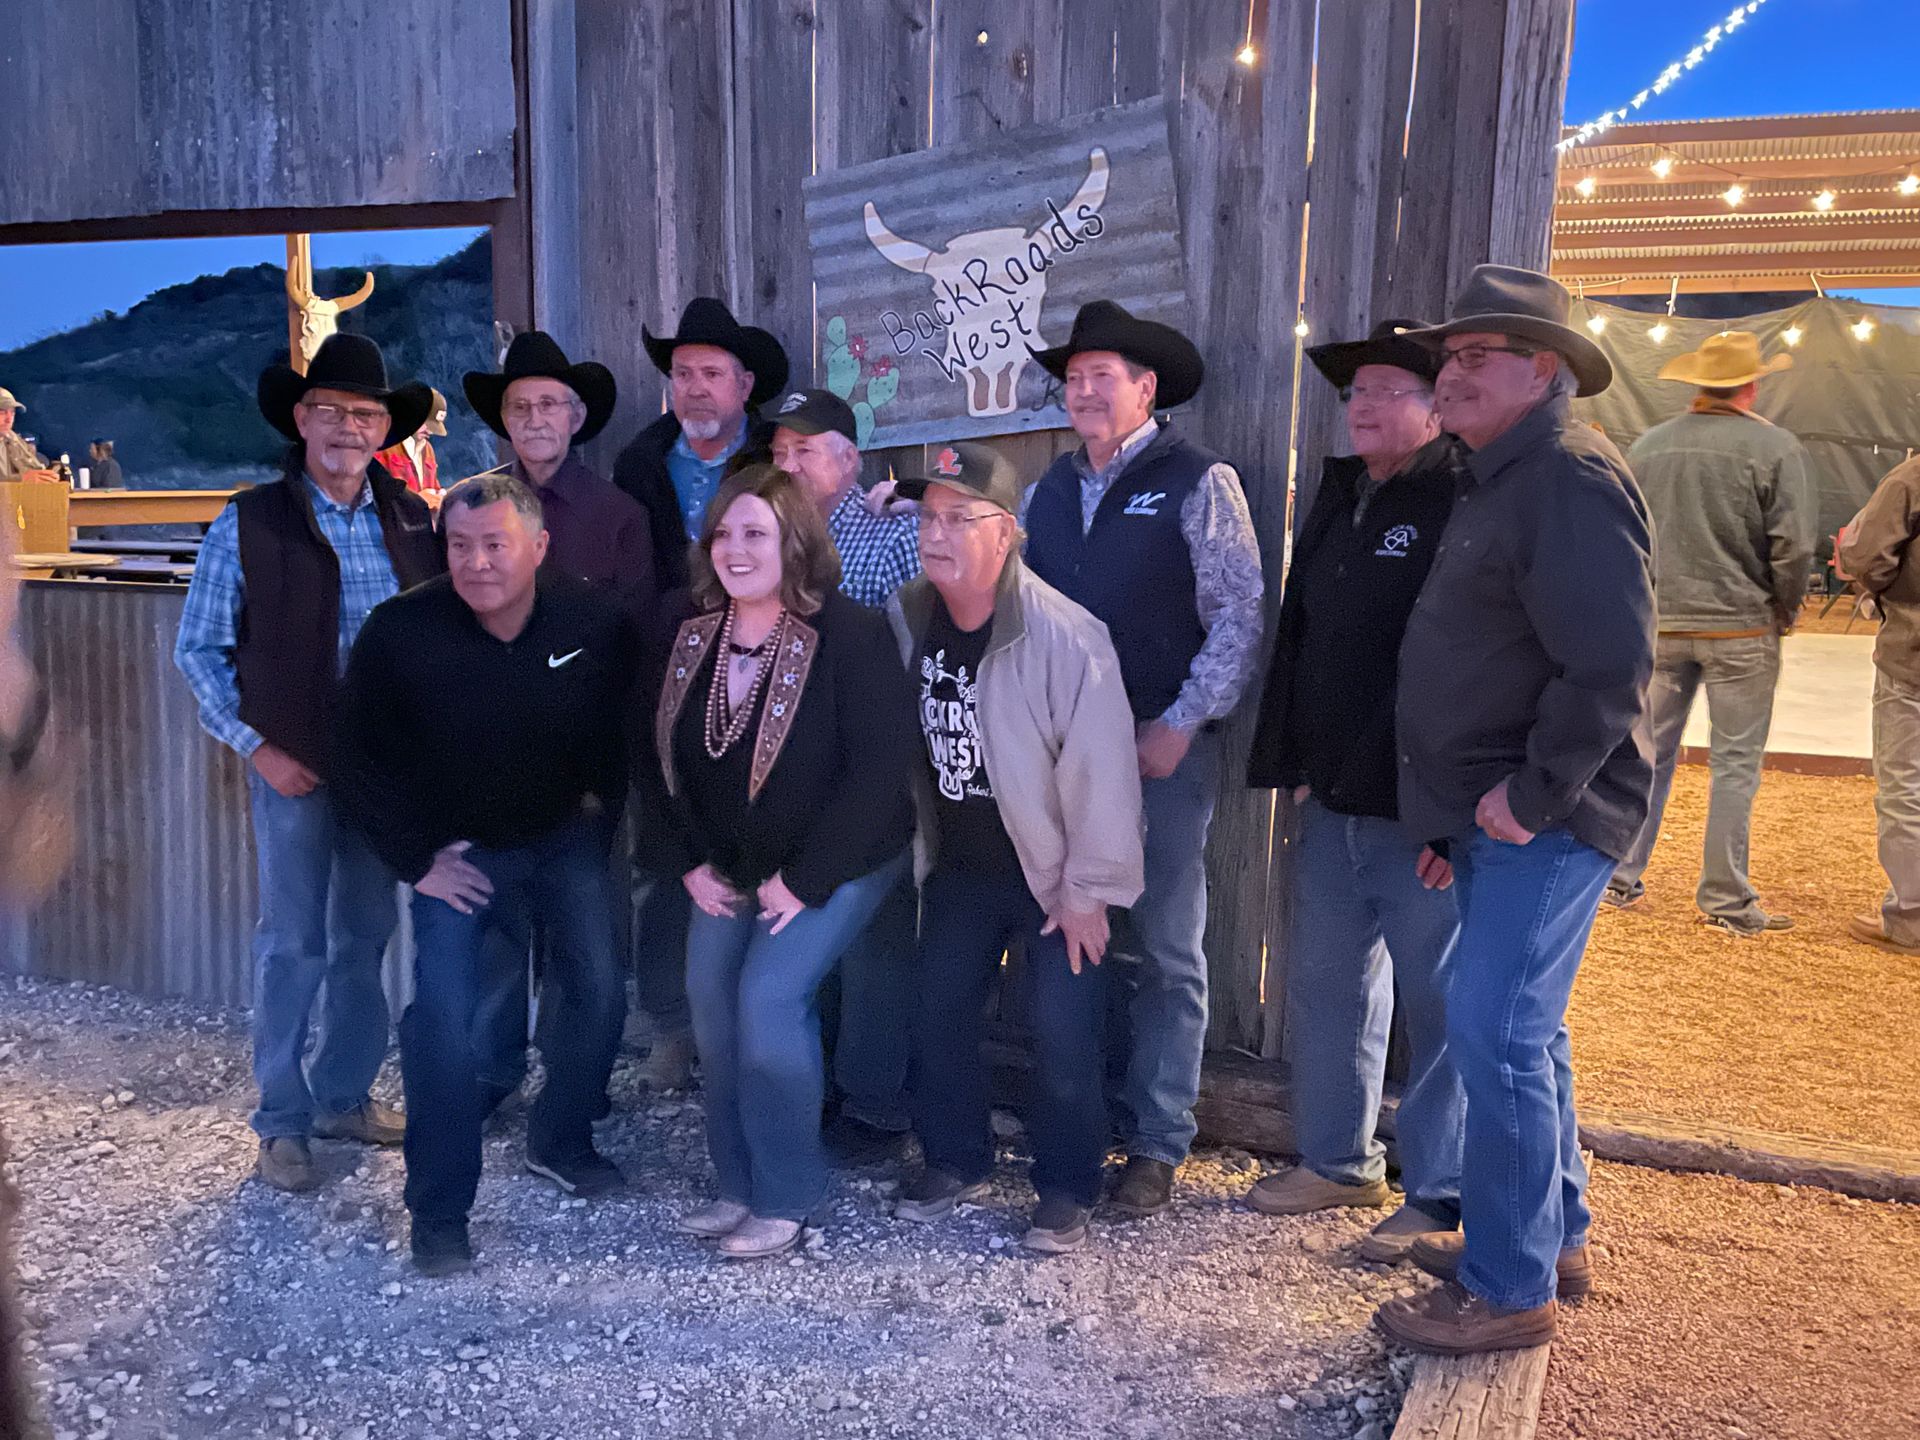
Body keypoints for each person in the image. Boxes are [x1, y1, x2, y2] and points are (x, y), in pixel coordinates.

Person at [1375, 265, 1654, 1354]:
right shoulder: (1497, 478)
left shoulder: (1569, 480)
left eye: (1476, 356)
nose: (1451, 375)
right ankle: (1550, 1233)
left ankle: (1507, 1286)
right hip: (1499, 816)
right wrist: (1457, 818)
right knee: (1520, 1027)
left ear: (1545, 370)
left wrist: (1528, 800)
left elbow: (1611, 669)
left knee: (1497, 1030)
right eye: (1448, 358)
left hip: (1548, 814)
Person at [334, 474, 640, 1275]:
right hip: (457, 857)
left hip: (563, 839)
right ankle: (439, 1212)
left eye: (494, 544)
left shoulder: (594, 622)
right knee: (442, 1020)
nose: (475, 563)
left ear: (537, 547)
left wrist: (598, 814)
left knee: (601, 990)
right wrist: (416, 860)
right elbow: (356, 759)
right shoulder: (399, 632)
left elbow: (624, 729)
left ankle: (561, 1136)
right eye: (459, 545)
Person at [174, 334, 443, 1193]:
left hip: (383, 773)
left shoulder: (411, 519)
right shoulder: (249, 521)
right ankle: (282, 1121)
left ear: (383, 430)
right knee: (292, 946)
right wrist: (259, 748)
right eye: (331, 411)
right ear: (301, 418)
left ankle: (343, 1096)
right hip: (294, 770)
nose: (349, 428)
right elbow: (198, 652)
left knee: (365, 938)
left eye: (365, 414)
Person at [1019, 299, 1264, 1219]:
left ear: (1145, 388)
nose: (1083, 391)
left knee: (1165, 946)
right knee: (1081, 936)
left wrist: (1180, 723)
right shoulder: (1044, 493)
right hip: (1063, 761)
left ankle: (1159, 1141)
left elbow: (1238, 613)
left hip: (1156, 754)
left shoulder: (1199, 480)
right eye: (1073, 378)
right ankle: (1081, 1128)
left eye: (1102, 377)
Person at [650, 465, 914, 1260]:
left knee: (768, 998)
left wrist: (805, 880)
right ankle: (738, 1184)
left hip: (844, 858)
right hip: (726, 861)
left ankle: (788, 1194)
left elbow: (879, 774)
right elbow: (652, 758)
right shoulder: (691, 633)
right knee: (709, 998)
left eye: (755, 532)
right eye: (724, 532)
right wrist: (686, 859)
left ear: (795, 542)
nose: (735, 548)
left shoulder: (854, 633)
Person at [1244, 321, 1466, 1259]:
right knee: (1329, 982)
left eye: (1386, 389)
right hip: (1332, 793)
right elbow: (1298, 636)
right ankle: (1338, 1161)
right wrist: (1291, 761)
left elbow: (1468, 664)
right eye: (1354, 393)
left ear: (1434, 406)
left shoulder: (1461, 498)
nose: (1363, 406)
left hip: (1420, 806)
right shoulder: (1341, 496)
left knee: (1442, 1002)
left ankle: (1444, 1189)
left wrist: (1453, 814)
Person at [887, 442, 1143, 1254]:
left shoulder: (1068, 637)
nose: (938, 533)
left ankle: (1069, 1184)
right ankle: (955, 1158)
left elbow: (1105, 771)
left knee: (1063, 1031)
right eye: (928, 517)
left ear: (1007, 535)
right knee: (936, 1015)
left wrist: (1087, 889)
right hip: (960, 867)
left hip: (1052, 876)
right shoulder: (910, 614)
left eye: (960, 517)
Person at [461, 331, 658, 1114]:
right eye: (520, 405)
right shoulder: (471, 507)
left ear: (576, 417)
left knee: (586, 934)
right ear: (503, 420)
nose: (536, 416)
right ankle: (490, 1074)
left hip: (584, 759)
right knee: (500, 926)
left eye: (549, 403)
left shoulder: (618, 515)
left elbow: (636, 635)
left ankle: (576, 1082)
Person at [613, 298, 791, 1091]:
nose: (695, 388)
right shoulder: (640, 462)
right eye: (682, 374)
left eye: (712, 374)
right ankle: (669, 1029)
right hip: (661, 677)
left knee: (758, 845)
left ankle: (751, 1026)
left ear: (744, 383)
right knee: (662, 856)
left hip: (761, 669)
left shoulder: (775, 463)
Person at [1605, 331, 1813, 932]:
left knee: (1646, 756)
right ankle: (1725, 899)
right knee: (1735, 765)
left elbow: (1628, 534)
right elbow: (1794, 546)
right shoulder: (1776, 447)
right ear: (1751, 385)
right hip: (1742, 629)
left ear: (1698, 383)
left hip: (1660, 625)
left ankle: (1618, 876)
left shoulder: (1650, 445)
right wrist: (1785, 609)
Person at [769, 387, 921, 1161]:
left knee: (876, 942)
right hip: (790, 771)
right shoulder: (766, 538)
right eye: (780, 451)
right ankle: (815, 1085)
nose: (789, 464)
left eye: (806, 449)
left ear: (849, 460)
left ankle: (876, 1105)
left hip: (872, 764)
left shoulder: (894, 533)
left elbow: (918, 648)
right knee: (805, 927)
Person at [1839, 458, 1920, 957]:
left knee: (1904, 790)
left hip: (1912, 658)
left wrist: (1885, 596)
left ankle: (1911, 916)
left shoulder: (1911, 479)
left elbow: (1865, 554)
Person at [374, 388, 448, 500]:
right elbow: (376, 492)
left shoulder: (427, 449)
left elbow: (433, 485)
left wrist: (439, 494)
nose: (430, 431)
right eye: (427, 424)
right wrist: (418, 500)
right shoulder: (383, 445)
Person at [0, 390, 54, 483]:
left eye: (12, 413)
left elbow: (34, 470)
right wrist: (21, 479)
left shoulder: (14, 440)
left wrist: (45, 477)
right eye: (2, 412)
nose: (9, 419)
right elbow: (24, 478)